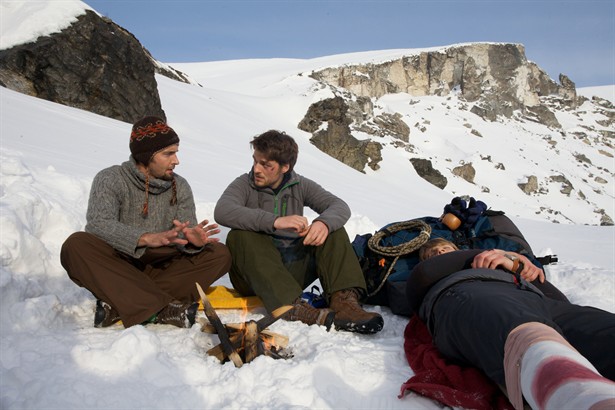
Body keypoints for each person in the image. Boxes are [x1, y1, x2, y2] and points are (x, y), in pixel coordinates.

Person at [61, 116, 231, 328]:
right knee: (76, 245)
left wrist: (193, 243)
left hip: (162, 265)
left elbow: (182, 235)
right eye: (168, 154)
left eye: (176, 152)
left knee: (219, 255)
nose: (176, 160)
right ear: (146, 156)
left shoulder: (181, 186)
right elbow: (98, 223)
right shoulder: (110, 178)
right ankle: (163, 308)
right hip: (120, 262)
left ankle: (122, 301)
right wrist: (144, 238)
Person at [407, 238, 615, 409]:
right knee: (525, 332)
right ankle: (580, 397)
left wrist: (515, 261)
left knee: (602, 328)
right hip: (467, 293)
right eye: (433, 253)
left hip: (533, 297)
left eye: (445, 248)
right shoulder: (427, 276)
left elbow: (534, 274)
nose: (440, 253)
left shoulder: (489, 254)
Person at [213, 130, 383, 334]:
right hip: (253, 276)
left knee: (333, 231)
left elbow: (338, 206)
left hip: (291, 272)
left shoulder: (299, 184)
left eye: (266, 165)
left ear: (285, 167)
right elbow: (222, 211)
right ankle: (294, 309)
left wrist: (323, 224)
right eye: (255, 161)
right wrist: (275, 221)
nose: (257, 169)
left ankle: (344, 304)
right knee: (240, 235)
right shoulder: (244, 184)